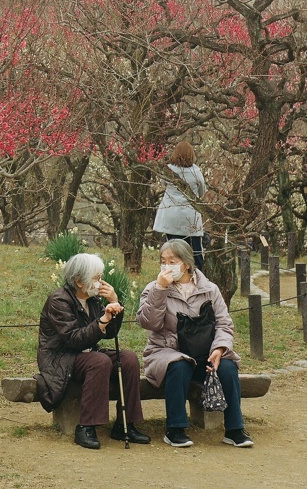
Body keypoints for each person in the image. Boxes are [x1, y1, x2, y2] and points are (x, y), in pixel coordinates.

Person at [137, 239, 253, 448]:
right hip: (167, 352)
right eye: (163, 261)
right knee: (179, 365)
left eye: (172, 261)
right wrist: (160, 290)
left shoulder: (210, 289)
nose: (166, 266)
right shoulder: (153, 289)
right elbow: (149, 323)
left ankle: (235, 429)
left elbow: (224, 325)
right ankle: (175, 429)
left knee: (227, 367)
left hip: (204, 352)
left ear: (187, 264)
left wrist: (218, 349)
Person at [35, 252, 150, 450]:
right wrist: (103, 320)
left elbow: (110, 333)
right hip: (61, 358)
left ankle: (125, 424)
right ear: (79, 281)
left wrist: (115, 302)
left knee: (129, 359)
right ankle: (86, 427)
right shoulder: (58, 300)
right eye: (97, 278)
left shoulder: (93, 300)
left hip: (87, 353)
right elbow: (73, 340)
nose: (100, 282)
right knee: (99, 361)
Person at [153, 141, 206, 269]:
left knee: (172, 250)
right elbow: (202, 191)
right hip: (190, 216)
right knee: (195, 251)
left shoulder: (169, 170)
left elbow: (163, 183)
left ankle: (171, 276)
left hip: (171, 215)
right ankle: (198, 278)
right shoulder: (196, 172)